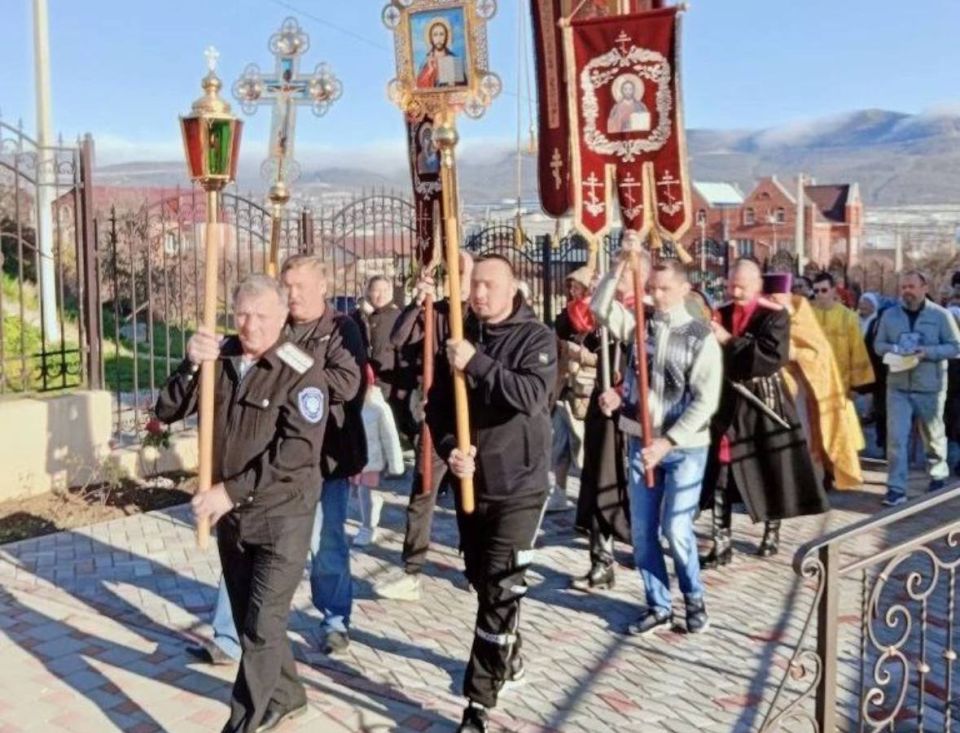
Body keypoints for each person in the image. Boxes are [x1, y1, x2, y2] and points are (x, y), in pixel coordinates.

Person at [156, 275, 330, 733]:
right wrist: (191, 365)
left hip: (283, 515)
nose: (249, 325)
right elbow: (167, 409)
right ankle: (288, 695)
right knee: (249, 619)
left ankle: (243, 723)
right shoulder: (222, 356)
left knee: (260, 626)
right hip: (233, 519)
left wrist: (228, 491)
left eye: (261, 316)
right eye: (241, 314)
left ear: (281, 317)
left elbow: (296, 454)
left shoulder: (302, 368)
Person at [184, 257, 365, 665]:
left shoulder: (341, 330)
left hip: (323, 459)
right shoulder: (269, 327)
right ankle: (228, 637)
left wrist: (292, 368)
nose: (294, 293)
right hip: (264, 468)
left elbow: (348, 383)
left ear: (324, 286)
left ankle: (334, 620)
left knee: (325, 544)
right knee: (241, 550)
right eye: (287, 285)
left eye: (301, 285)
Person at [427, 254, 557, 733]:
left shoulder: (535, 338)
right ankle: (509, 650)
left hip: (520, 487)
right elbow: (436, 409)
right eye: (473, 284)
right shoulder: (462, 336)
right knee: (482, 582)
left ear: (512, 287)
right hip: (471, 485)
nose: (479, 294)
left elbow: (529, 396)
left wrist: (476, 363)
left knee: (500, 592)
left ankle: (476, 705)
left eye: (489, 285)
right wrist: (450, 450)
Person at [592, 254, 721, 635]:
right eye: (651, 289)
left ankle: (694, 598)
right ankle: (658, 604)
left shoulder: (701, 337)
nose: (657, 296)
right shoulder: (641, 327)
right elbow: (600, 309)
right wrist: (618, 268)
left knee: (676, 529)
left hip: (684, 447)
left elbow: (706, 400)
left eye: (664, 289)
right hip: (639, 442)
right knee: (644, 531)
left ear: (684, 289)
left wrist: (668, 441)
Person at [701, 259, 828, 566]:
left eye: (742, 285)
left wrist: (729, 341)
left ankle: (772, 529)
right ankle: (721, 542)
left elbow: (772, 357)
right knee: (721, 470)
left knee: (771, 467)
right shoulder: (722, 313)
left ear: (758, 285)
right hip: (727, 401)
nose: (735, 291)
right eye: (731, 285)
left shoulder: (775, 315)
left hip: (763, 400)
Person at [375, 252, 474, 601]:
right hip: (437, 416)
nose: (458, 280)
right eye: (454, 273)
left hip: (475, 419)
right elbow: (399, 338)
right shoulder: (437, 310)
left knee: (471, 494)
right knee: (422, 491)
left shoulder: (477, 314)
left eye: (463, 273)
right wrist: (419, 300)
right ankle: (412, 569)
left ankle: (475, 566)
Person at [764, 273, 864, 491]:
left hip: (803, 389)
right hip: (769, 388)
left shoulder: (801, 314)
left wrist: (793, 353)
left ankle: (810, 484)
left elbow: (818, 352)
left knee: (806, 436)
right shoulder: (762, 314)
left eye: (776, 297)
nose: (771, 301)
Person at [572, 264, 634, 592]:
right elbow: (578, 330)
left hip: (636, 416)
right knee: (598, 482)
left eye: (620, 277)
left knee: (631, 487)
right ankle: (601, 561)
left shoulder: (647, 315)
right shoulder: (609, 316)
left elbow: (657, 371)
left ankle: (643, 545)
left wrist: (622, 394)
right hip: (603, 412)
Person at [873, 270, 960, 506]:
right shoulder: (889, 315)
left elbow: (954, 346)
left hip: (929, 386)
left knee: (932, 435)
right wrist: (895, 349)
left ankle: (937, 476)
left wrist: (927, 352)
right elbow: (878, 345)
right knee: (897, 439)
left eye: (911, 286)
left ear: (924, 288)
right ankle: (896, 488)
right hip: (898, 386)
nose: (907, 291)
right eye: (903, 287)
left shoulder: (940, 315)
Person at [547, 266, 601, 513]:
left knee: (584, 446)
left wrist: (581, 353)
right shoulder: (565, 314)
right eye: (570, 285)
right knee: (559, 443)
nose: (572, 289)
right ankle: (558, 492)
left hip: (587, 389)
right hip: (564, 386)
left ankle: (592, 496)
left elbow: (605, 357)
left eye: (576, 285)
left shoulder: (598, 316)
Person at [353, 364, 405, 546]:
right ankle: (374, 508)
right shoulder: (352, 403)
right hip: (355, 459)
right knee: (359, 494)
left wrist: (395, 463)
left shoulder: (379, 407)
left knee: (364, 493)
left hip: (372, 461)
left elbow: (390, 437)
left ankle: (368, 528)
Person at [351, 275, 407, 433]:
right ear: (368, 292)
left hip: (389, 383)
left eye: (385, 290)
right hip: (364, 382)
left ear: (391, 292)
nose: (380, 295)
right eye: (376, 290)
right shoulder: (359, 317)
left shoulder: (398, 317)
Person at [811, 272, 875, 395]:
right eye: (816, 291)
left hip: (841, 381)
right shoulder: (807, 314)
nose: (819, 294)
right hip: (814, 379)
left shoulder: (848, 316)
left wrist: (857, 385)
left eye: (824, 290)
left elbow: (857, 350)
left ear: (833, 290)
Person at [416, 19, 466, 88]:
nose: (438, 39)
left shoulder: (452, 59)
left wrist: (453, 83)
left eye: (441, 34)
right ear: (431, 38)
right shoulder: (426, 62)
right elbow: (419, 88)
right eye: (435, 35)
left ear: (446, 37)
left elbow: (464, 87)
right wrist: (430, 71)